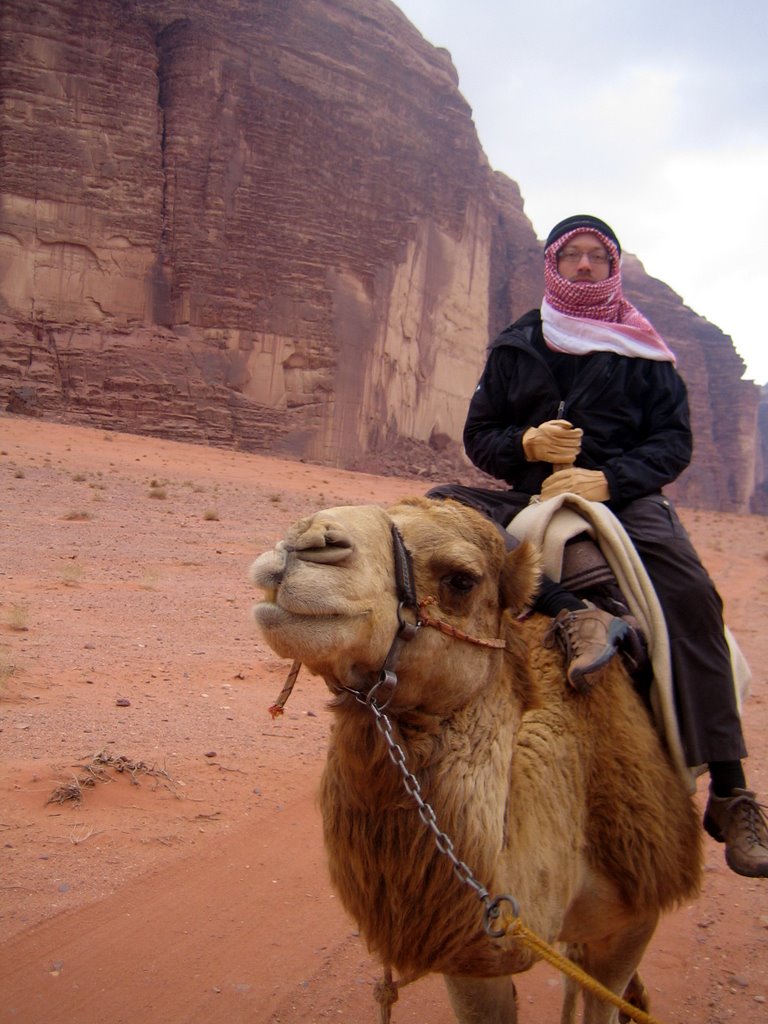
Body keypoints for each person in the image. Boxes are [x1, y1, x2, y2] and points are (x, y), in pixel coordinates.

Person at [428, 214, 768, 878]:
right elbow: (480, 436)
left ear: (611, 268)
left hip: (626, 499)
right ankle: (567, 608)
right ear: (553, 264)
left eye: (595, 257)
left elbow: (673, 444)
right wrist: (523, 446)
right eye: (572, 256)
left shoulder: (644, 350)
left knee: (693, 596)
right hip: (534, 493)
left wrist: (613, 479)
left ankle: (730, 788)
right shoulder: (518, 345)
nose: (584, 267)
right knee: (441, 509)